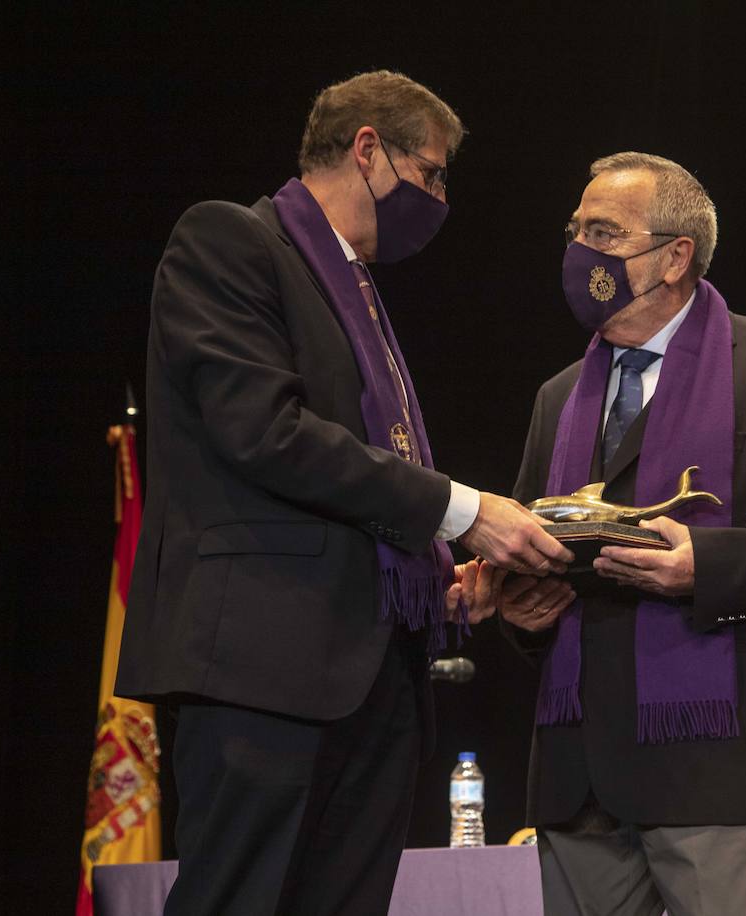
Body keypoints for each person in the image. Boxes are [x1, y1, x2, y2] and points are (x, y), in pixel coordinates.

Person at [115, 70, 570, 915]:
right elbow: (266, 433)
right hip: (262, 670)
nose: (440, 201)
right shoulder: (229, 241)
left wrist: (442, 583)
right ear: (367, 149)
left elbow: (364, 485)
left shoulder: (358, 293)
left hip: (374, 682)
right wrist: (466, 513)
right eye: (431, 174)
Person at [488, 152, 746, 916]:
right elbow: (538, 539)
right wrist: (519, 611)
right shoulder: (559, 396)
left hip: (715, 762)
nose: (580, 252)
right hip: (580, 772)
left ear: (676, 257)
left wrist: (710, 562)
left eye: (604, 233)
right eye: (575, 232)